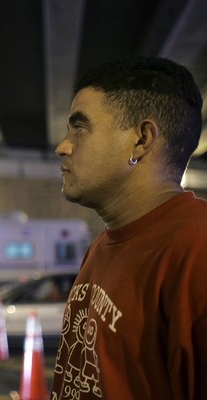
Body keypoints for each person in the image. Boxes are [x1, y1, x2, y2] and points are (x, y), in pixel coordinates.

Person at [51, 56, 207, 399]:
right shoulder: (104, 245)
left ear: (141, 140)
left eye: (80, 127)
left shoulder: (197, 249)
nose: (63, 146)